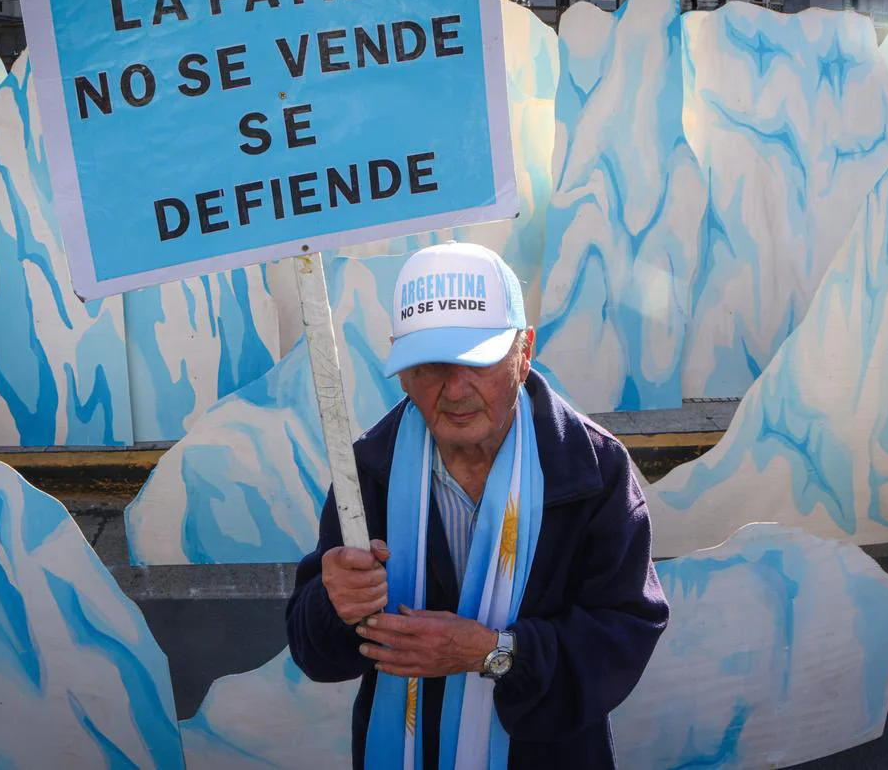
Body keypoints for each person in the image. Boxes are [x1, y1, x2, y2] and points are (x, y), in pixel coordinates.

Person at [286, 242, 669, 769]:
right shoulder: (368, 472)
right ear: (401, 369)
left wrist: (492, 652)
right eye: (430, 366)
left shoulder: (593, 471)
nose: (455, 389)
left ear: (524, 350)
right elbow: (316, 654)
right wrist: (333, 604)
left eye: (479, 361)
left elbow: (625, 633)